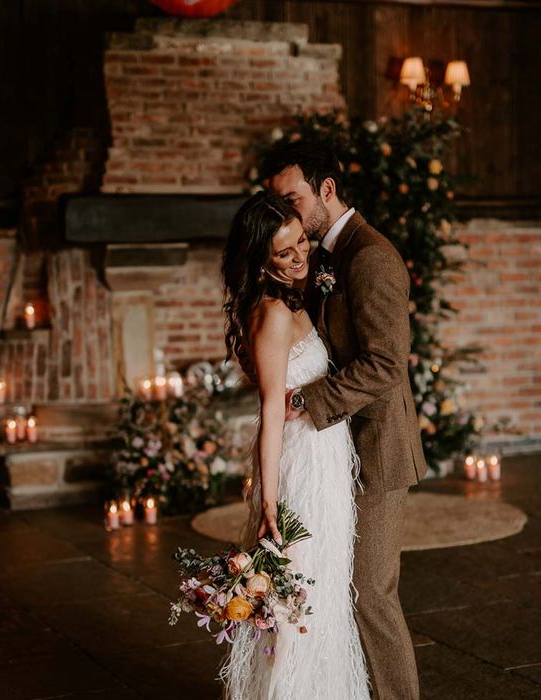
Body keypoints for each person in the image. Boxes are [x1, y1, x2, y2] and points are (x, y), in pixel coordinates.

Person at [263, 140, 425, 700]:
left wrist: (308, 401)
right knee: (335, 584)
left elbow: (385, 364)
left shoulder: (371, 256)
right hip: (336, 450)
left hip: (377, 445)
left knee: (371, 593)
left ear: (326, 190)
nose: (286, 213)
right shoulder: (325, 255)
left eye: (293, 198)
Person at [220, 190, 370, 699]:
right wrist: (267, 502)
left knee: (322, 589)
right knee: (296, 598)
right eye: (284, 252)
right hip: (300, 464)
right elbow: (269, 412)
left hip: (325, 455)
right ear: (261, 261)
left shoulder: (291, 298)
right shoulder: (272, 315)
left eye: (301, 241)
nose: (300, 255)